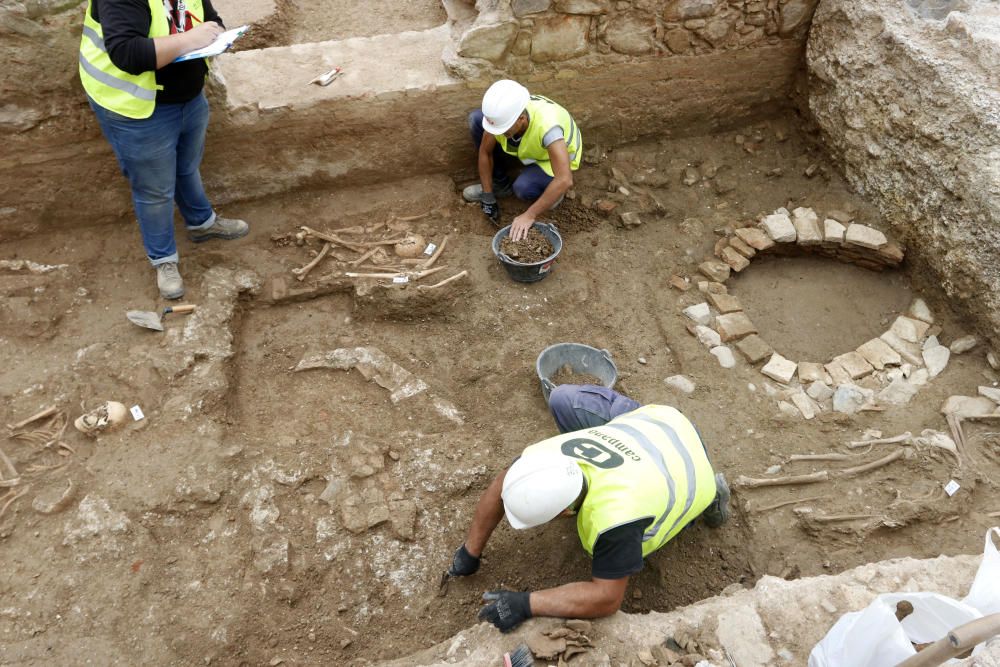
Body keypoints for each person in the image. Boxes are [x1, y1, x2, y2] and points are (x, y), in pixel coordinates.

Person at [447, 384, 730, 633]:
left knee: (682, 499)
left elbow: (606, 598)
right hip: (661, 421)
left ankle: (712, 495)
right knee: (561, 399)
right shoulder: (543, 457)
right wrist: (469, 552)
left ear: (565, 513)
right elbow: (502, 485)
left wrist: (527, 603)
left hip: (692, 471)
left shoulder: (616, 517)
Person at [79, 0, 250, 300]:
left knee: (186, 167)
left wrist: (218, 35)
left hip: (188, 98)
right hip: (137, 108)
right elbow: (128, 54)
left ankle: (201, 223)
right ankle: (163, 259)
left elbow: (210, 18)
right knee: (155, 191)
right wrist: (191, 39)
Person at [463, 80, 582, 242]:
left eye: (503, 130)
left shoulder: (548, 128)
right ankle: (500, 186)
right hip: (531, 149)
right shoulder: (505, 118)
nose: (497, 133)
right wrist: (487, 194)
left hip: (553, 161)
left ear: (521, 119)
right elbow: (485, 151)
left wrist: (529, 215)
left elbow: (565, 179)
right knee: (476, 119)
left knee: (523, 188)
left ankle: (554, 193)